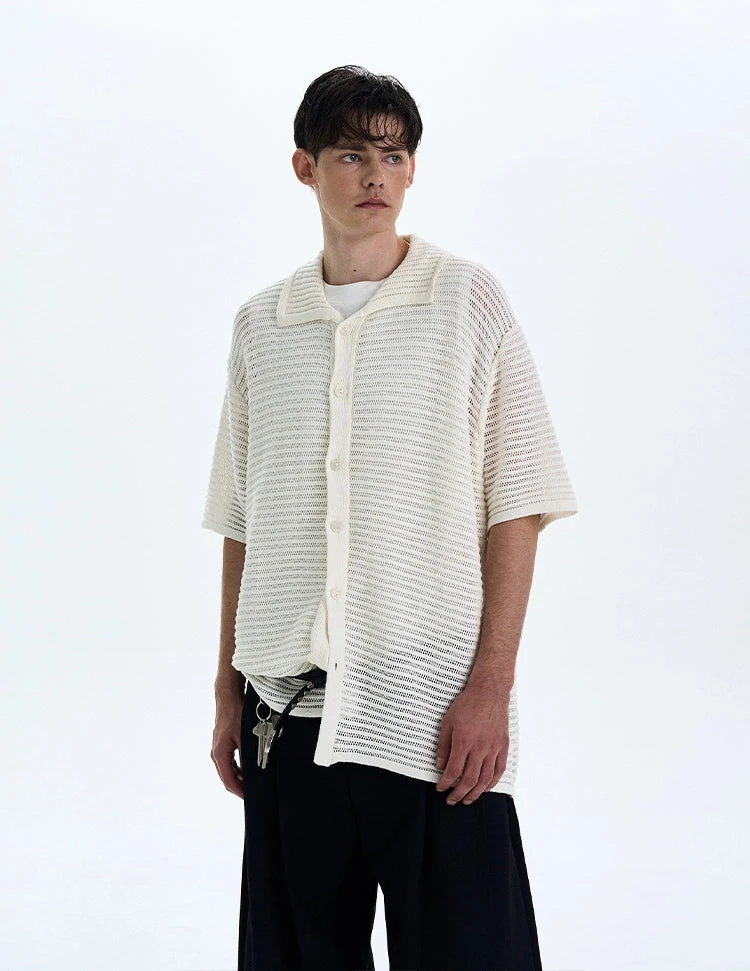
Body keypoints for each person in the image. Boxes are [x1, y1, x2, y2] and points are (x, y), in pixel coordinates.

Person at [201, 64, 578, 971]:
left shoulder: (466, 301)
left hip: (432, 708)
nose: (376, 175)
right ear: (305, 167)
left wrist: (490, 689)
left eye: (394, 155)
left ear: (412, 170)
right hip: (286, 711)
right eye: (350, 155)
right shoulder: (263, 325)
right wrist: (225, 689)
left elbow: (518, 502)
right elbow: (243, 519)